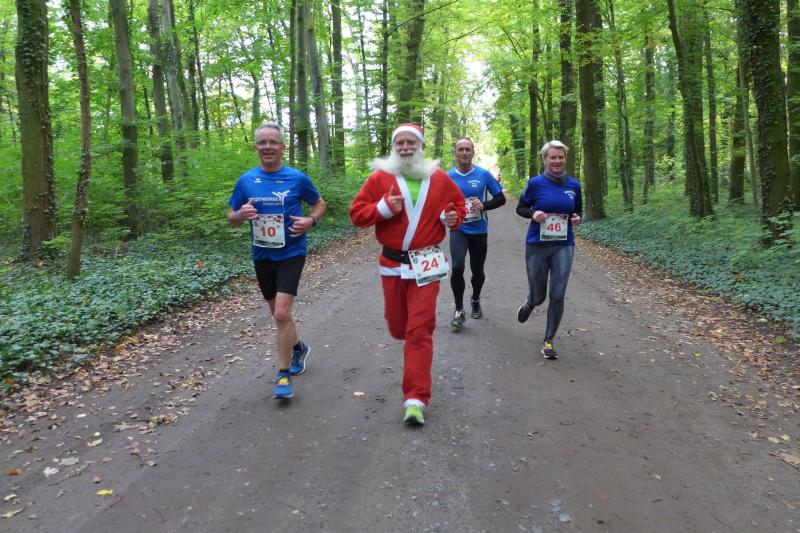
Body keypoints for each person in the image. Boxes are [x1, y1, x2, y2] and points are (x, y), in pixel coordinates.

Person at [350, 123, 466, 426]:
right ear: (393, 147)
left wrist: (452, 218)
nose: (405, 148)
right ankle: (410, 338)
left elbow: (458, 208)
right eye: (399, 143)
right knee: (398, 326)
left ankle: (415, 398)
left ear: (421, 146)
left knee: (419, 329)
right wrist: (383, 209)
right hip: (392, 264)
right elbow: (357, 214)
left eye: (411, 143)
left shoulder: (438, 178)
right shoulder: (379, 178)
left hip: (427, 263)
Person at [227, 122, 326, 399]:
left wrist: (310, 220)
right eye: (262, 142)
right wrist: (240, 215)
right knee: (278, 314)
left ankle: (283, 376)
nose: (267, 147)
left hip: (292, 252)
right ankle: (299, 348)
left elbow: (319, 203)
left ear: (282, 147)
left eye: (273, 142)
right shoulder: (246, 180)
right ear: (256, 147)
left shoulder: (297, 178)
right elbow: (231, 217)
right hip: (262, 254)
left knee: (282, 313)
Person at [515, 140, 582, 360]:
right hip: (537, 244)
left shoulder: (574, 185)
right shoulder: (535, 184)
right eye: (553, 157)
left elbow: (578, 211)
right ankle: (530, 303)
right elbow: (520, 208)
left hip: (564, 244)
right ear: (545, 159)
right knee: (539, 296)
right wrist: (533, 213)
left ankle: (549, 340)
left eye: (561, 157)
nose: (557, 161)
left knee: (558, 294)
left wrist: (577, 219)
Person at [446, 138, 505, 329]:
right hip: (458, 229)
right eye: (460, 149)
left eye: (467, 149)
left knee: (477, 270)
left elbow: (501, 199)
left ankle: (475, 299)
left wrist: (484, 205)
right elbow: (437, 201)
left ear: (473, 152)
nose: (464, 152)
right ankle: (459, 309)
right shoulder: (447, 177)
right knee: (457, 267)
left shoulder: (483, 174)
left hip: (479, 229)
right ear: (455, 152)